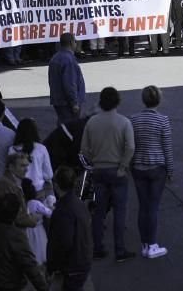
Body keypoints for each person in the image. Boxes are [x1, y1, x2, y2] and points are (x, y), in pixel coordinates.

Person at [80, 87, 136, 262]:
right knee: (120, 211)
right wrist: (123, 166)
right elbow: (131, 147)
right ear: (117, 101)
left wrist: (94, 161)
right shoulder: (124, 122)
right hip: (117, 170)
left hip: (99, 170)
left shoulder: (92, 122)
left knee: (99, 210)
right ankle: (119, 250)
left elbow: (84, 149)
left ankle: (98, 247)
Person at [129, 85, 174, 260]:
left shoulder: (134, 119)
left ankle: (145, 243)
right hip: (157, 167)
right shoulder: (163, 120)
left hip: (138, 167)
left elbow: (131, 145)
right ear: (159, 100)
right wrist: (170, 170)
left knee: (143, 206)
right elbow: (167, 148)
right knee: (153, 207)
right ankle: (153, 244)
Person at [47, 166, 94, 290]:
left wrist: (52, 267)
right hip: (82, 262)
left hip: (71, 268)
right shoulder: (78, 204)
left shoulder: (63, 210)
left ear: (56, 185)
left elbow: (63, 243)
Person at [9, 118, 54, 199]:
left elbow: (10, 172)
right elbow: (49, 175)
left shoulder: (12, 149)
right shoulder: (41, 148)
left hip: (18, 191)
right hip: (38, 190)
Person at [48, 33, 86, 126]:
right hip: (67, 103)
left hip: (58, 100)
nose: (76, 44)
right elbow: (70, 83)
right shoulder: (68, 60)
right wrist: (74, 103)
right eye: (75, 41)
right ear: (71, 42)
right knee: (71, 128)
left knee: (62, 127)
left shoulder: (55, 57)